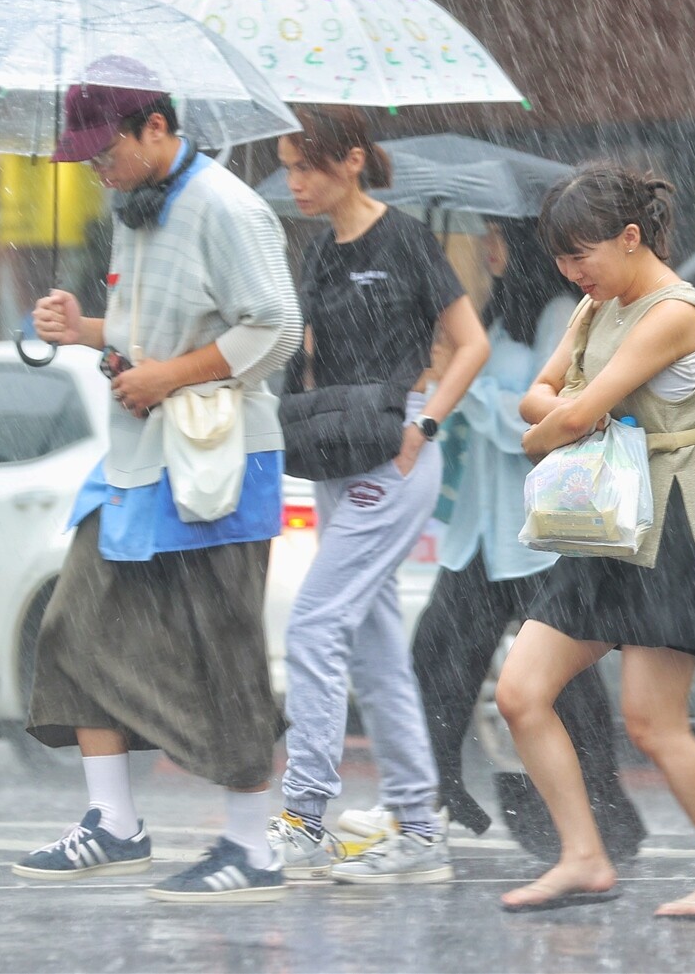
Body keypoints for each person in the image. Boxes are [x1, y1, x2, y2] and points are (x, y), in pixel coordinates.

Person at [15, 67, 302, 902]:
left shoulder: (226, 205)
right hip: (135, 460)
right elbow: (151, 332)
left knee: (224, 646)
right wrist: (84, 331)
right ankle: (114, 824)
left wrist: (169, 376)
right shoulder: (135, 207)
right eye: (87, 161)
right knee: (72, 627)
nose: (96, 171)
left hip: (217, 459)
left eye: (104, 153)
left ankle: (255, 845)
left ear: (157, 127)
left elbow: (276, 326)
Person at [494, 165, 695, 917]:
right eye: (563, 260)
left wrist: (549, 429)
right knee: (520, 693)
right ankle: (583, 855)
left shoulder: (675, 313)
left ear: (631, 237)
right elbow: (535, 395)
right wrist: (559, 416)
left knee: (652, 722)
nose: (574, 273)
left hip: (668, 530)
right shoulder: (594, 304)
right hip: (600, 525)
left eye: (584, 255)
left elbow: (564, 415)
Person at [338, 217, 647, 861]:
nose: (486, 249)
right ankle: (428, 800)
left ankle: (600, 813)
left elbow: (536, 425)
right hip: (482, 535)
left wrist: (467, 380)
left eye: (496, 237)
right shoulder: (497, 315)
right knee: (436, 664)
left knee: (564, 685)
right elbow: (475, 427)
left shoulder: (563, 312)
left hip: (538, 535)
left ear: (523, 243)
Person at [269, 106, 489, 883]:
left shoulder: (405, 239)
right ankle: (420, 827)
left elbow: (472, 344)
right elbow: (309, 357)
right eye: (288, 167)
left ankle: (303, 815)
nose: (294, 182)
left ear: (351, 160)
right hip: (337, 452)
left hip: (392, 454)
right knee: (373, 647)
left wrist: (424, 423)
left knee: (316, 624)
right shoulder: (320, 251)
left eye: (306, 166)